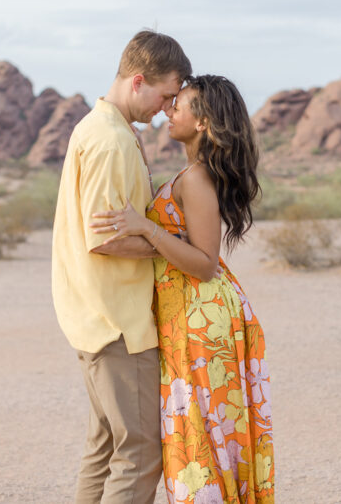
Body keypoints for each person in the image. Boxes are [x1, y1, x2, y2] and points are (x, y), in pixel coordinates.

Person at [92, 75, 275, 503]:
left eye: (182, 104)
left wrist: (145, 229)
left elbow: (205, 263)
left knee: (202, 436)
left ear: (203, 123)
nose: (170, 109)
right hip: (190, 318)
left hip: (201, 317)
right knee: (200, 434)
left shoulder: (196, 179)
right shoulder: (191, 174)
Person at [51, 30, 191, 503]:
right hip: (118, 323)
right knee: (141, 452)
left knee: (106, 446)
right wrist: (171, 245)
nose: (166, 108)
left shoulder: (97, 127)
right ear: (138, 81)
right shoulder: (110, 140)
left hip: (95, 316)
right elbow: (107, 238)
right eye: (166, 94)